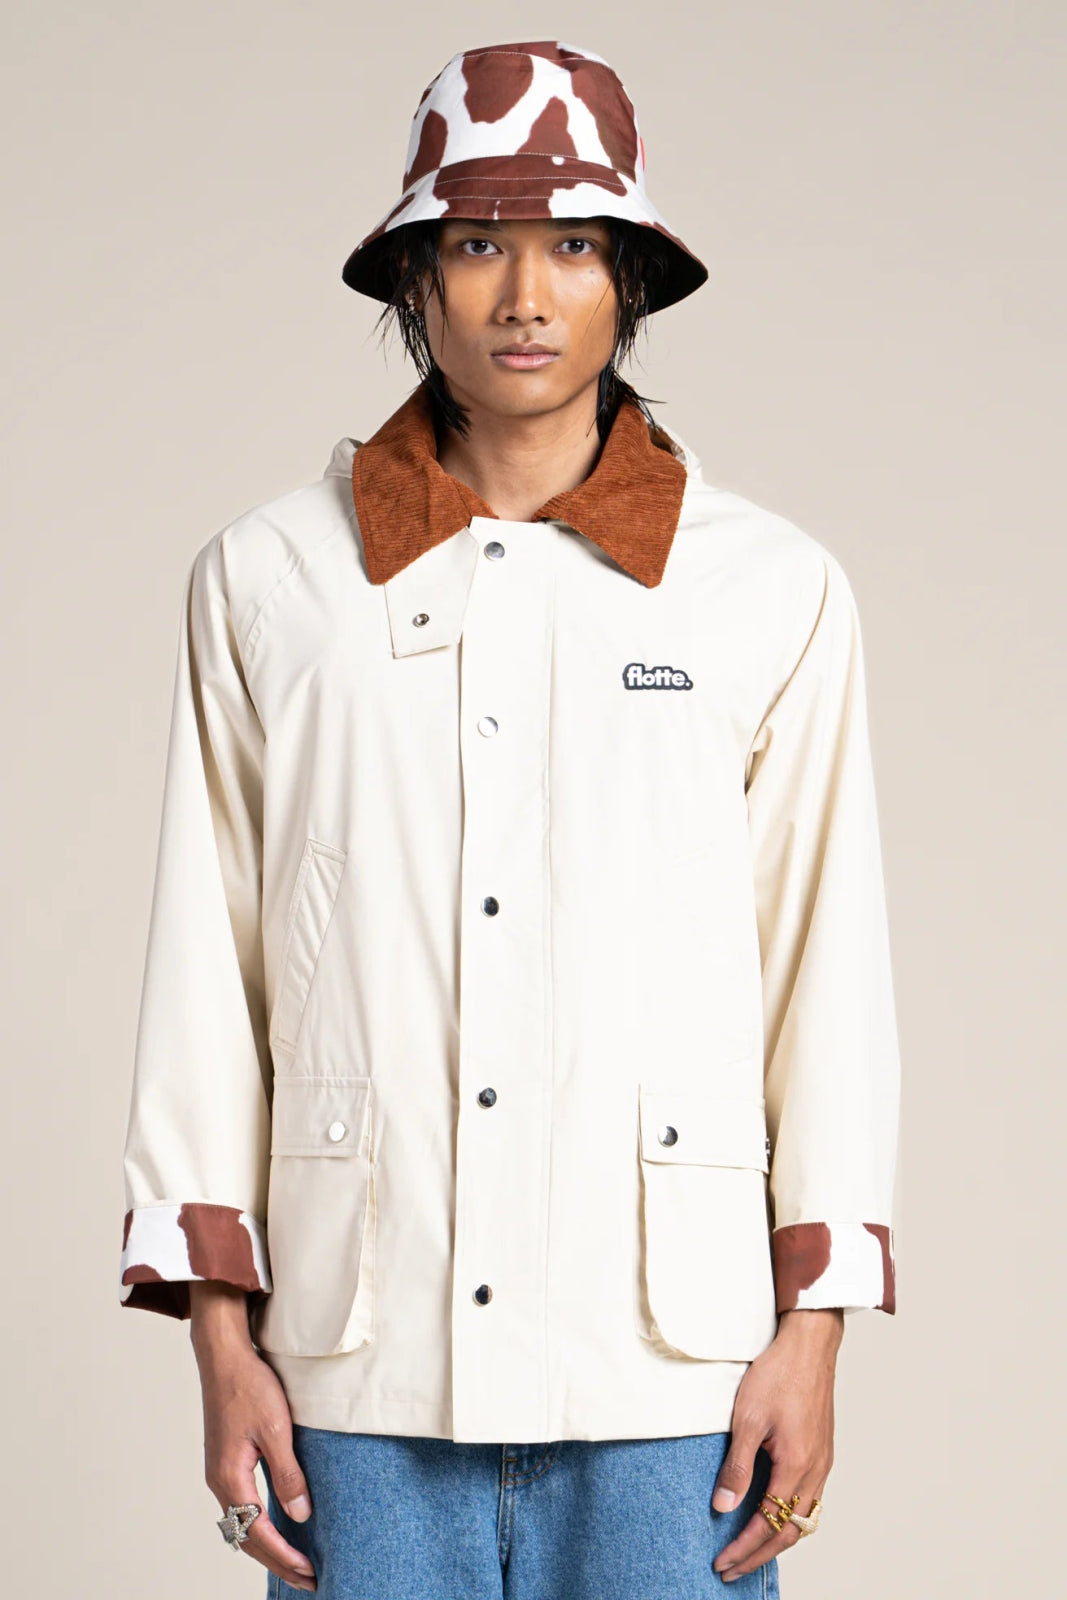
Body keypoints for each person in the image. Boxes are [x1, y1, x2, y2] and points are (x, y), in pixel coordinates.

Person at [119, 38, 901, 1600]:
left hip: (672, 1375)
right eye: (478, 243)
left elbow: (826, 970)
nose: (526, 295)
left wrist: (813, 1333)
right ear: (417, 275)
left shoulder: (770, 590)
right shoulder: (271, 581)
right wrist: (219, 1336)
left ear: (631, 279)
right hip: (359, 1368)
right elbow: (211, 964)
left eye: (575, 247)